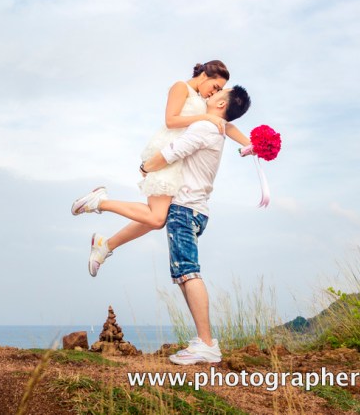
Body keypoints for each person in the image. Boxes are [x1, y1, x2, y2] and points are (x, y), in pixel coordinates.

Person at [72, 85, 252, 365]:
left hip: (184, 210)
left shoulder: (205, 128)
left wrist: (145, 168)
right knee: (181, 271)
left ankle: (206, 343)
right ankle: (105, 237)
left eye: (218, 93)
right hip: (197, 211)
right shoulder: (216, 129)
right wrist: (250, 143)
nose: (211, 95)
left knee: (189, 273)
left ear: (220, 104)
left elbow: (171, 152)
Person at [71, 62, 251, 275]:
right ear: (205, 75)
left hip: (177, 160)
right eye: (216, 86)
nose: (216, 92)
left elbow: (226, 125)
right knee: (157, 219)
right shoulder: (180, 87)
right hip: (165, 151)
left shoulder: (206, 104)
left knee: (158, 217)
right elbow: (171, 120)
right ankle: (100, 202)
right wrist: (206, 117)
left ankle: (106, 245)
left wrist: (250, 144)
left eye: (220, 90)